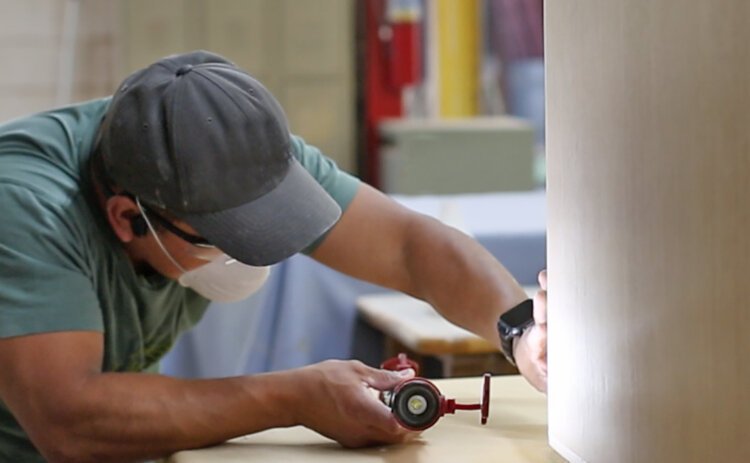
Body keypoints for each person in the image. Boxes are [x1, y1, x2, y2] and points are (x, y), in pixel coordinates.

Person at [0, 50, 547, 462]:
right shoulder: (26, 209)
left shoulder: (226, 148)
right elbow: (68, 420)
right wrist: (293, 397)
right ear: (126, 218)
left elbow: (407, 246)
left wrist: (520, 331)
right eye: (221, 239)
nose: (249, 258)